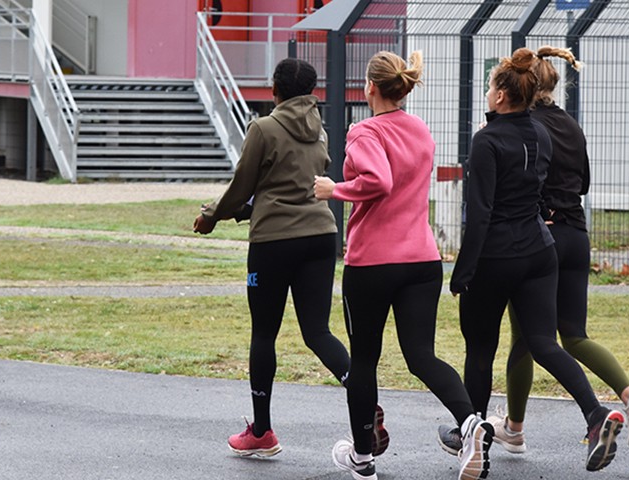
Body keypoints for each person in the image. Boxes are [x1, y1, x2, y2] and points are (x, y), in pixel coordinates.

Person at [193, 58, 389, 459]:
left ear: (274, 90)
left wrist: (212, 215)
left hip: (274, 242)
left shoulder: (262, 128)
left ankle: (262, 432)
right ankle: (362, 395)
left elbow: (242, 185)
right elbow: (288, 185)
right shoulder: (320, 131)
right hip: (320, 235)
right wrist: (252, 206)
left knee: (264, 333)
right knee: (317, 331)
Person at [442, 47, 624, 472]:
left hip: (497, 256)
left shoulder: (486, 141)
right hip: (541, 253)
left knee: (481, 350)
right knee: (544, 342)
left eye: (490, 86)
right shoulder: (540, 134)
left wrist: (462, 272)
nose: (488, 92)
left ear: (502, 96)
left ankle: (471, 435)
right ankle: (596, 415)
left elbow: (481, 213)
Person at [314, 50, 493, 480]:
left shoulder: (363, 131)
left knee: (364, 361)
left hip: (374, 263)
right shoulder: (421, 130)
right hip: (422, 260)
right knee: (421, 355)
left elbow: (378, 181)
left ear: (370, 88)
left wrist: (332, 189)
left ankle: (362, 459)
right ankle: (471, 424)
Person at [483, 46, 629, 454]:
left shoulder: (524, 128)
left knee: (524, 339)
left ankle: (515, 427)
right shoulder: (571, 126)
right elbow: (582, 184)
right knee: (574, 335)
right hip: (577, 234)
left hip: (539, 237)